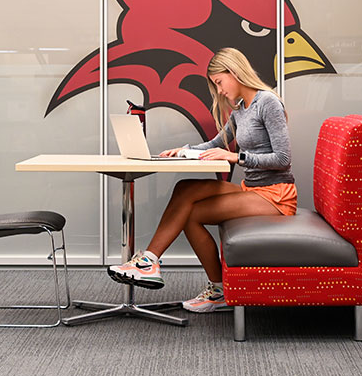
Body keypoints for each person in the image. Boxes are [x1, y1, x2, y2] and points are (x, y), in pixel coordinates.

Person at [107, 47, 297, 313]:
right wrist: (184, 150)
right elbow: (216, 143)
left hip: (276, 196)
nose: (219, 91)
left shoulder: (268, 103)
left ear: (234, 72)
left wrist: (236, 158)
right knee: (186, 190)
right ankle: (155, 263)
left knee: (191, 211)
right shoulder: (240, 110)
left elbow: (283, 158)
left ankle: (158, 267)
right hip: (251, 190)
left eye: (219, 82)